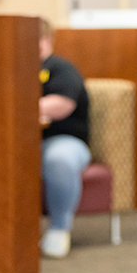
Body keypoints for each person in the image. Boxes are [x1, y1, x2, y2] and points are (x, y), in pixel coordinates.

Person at [39, 18, 91, 259]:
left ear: (45, 39)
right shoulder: (11, 68)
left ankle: (59, 228)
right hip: (20, 143)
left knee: (58, 160)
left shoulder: (61, 69)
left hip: (63, 139)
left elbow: (61, 105)